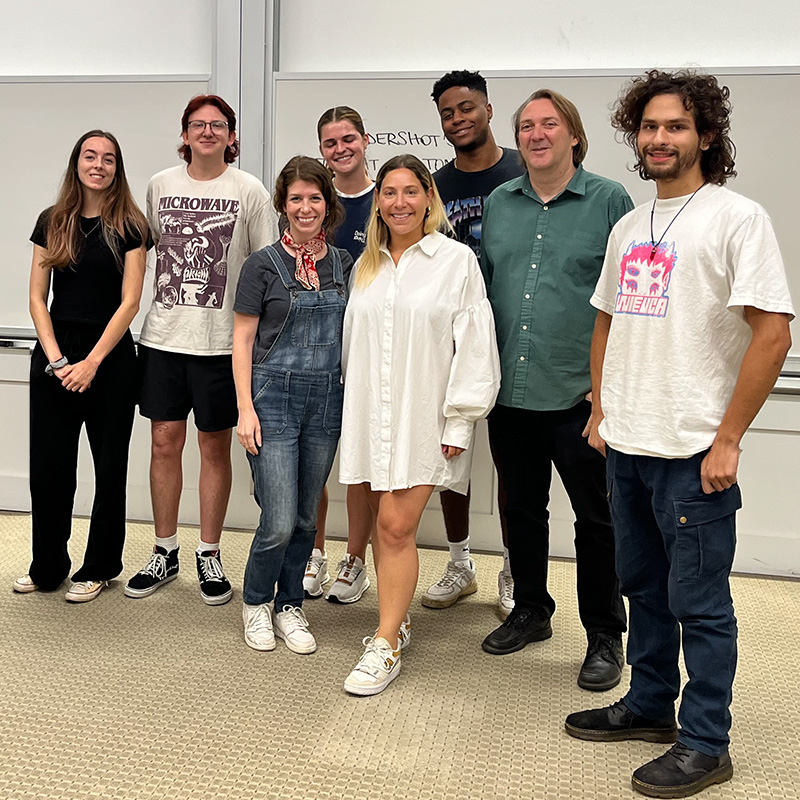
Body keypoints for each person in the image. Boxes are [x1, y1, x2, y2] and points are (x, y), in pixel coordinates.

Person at [565, 70, 793, 798]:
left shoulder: (736, 218)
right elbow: (605, 317)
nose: (660, 139)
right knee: (644, 588)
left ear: (706, 136)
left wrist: (729, 437)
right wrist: (601, 409)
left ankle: (705, 742)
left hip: (693, 452)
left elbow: (773, 333)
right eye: (650, 127)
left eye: (676, 127)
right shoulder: (631, 224)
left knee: (701, 603)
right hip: (628, 446)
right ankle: (649, 705)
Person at [480, 89, 629, 692]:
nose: (537, 134)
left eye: (550, 124)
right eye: (526, 126)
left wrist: (608, 389)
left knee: (597, 521)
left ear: (573, 134)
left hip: (578, 395)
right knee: (522, 510)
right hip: (511, 394)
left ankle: (603, 635)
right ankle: (532, 610)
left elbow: (627, 305)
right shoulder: (498, 202)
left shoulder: (609, 201)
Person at [339, 154, 500, 695]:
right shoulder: (366, 266)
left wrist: (459, 423)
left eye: (412, 191)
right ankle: (397, 621)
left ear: (430, 198)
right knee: (387, 523)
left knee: (395, 527)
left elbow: (476, 349)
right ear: (377, 201)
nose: (400, 202)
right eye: (389, 192)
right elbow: (351, 349)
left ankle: (384, 644)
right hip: (371, 414)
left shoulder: (456, 262)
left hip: (424, 418)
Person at [125, 94, 278, 605]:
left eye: (217, 125)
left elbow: (264, 268)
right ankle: (164, 550)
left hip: (220, 345)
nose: (207, 132)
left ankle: (208, 552)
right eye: (198, 124)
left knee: (214, 447)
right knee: (164, 443)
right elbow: (143, 257)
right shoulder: (160, 185)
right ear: (185, 134)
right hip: (164, 337)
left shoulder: (249, 190)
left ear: (231, 136)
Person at [14, 130, 149, 602]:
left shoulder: (132, 225)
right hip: (55, 353)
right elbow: (36, 297)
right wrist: (56, 360)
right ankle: (47, 566)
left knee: (110, 467)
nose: (99, 165)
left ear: (117, 168)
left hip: (109, 358)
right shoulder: (51, 221)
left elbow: (131, 302)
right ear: (76, 163)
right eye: (90, 156)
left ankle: (99, 567)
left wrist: (91, 362)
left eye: (108, 158)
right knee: (50, 470)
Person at [233, 156, 352, 654]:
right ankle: (257, 602)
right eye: (296, 198)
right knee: (277, 519)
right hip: (271, 399)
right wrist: (245, 409)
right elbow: (241, 340)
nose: (305, 207)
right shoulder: (261, 265)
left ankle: (289, 605)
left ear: (328, 204)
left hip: (326, 399)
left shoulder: (344, 264)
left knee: (306, 518)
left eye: (315, 198)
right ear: (282, 204)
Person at [424, 70, 525, 616]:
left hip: (512, 336)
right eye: (447, 113)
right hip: (452, 339)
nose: (458, 119)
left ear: (488, 109)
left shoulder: (523, 171)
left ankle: (512, 568)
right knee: (452, 456)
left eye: (466, 108)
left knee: (511, 464)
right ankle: (460, 561)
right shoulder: (436, 187)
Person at [302, 106, 375, 605]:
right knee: (315, 456)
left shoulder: (385, 197)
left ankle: (355, 559)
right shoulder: (314, 201)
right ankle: (314, 553)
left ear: (365, 140)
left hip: (370, 349)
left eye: (348, 138)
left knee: (360, 460)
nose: (339, 148)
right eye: (330, 142)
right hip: (318, 346)